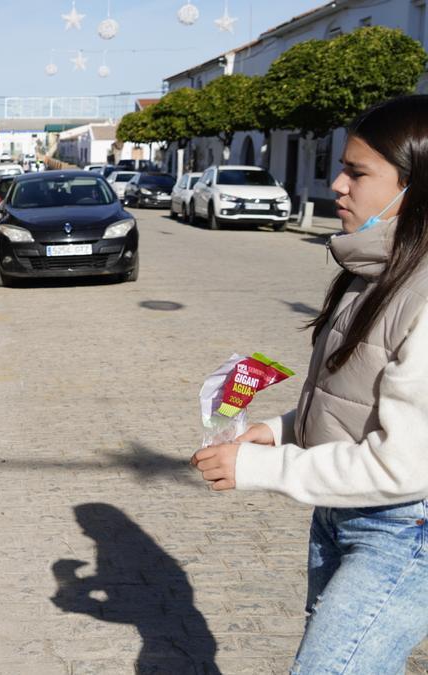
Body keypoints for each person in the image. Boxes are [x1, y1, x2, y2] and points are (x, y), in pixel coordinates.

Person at [191, 95, 428, 673]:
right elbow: (357, 401)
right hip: (341, 512)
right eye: (342, 166)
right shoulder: (371, 269)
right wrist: (277, 431)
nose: (337, 184)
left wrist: (259, 471)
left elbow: (405, 463)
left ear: (414, 186)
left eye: (358, 172)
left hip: (403, 532)